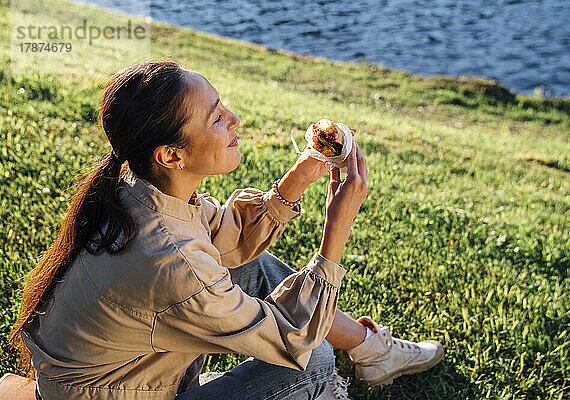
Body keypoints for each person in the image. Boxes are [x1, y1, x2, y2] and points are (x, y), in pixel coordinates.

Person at [9, 61, 443, 400]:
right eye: (216, 118)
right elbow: (293, 340)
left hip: (119, 373)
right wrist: (338, 226)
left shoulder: (136, 187)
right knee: (314, 362)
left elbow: (226, 238)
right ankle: (366, 355)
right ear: (172, 155)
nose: (233, 119)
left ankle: (372, 351)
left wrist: (301, 176)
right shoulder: (170, 260)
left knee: (257, 267)